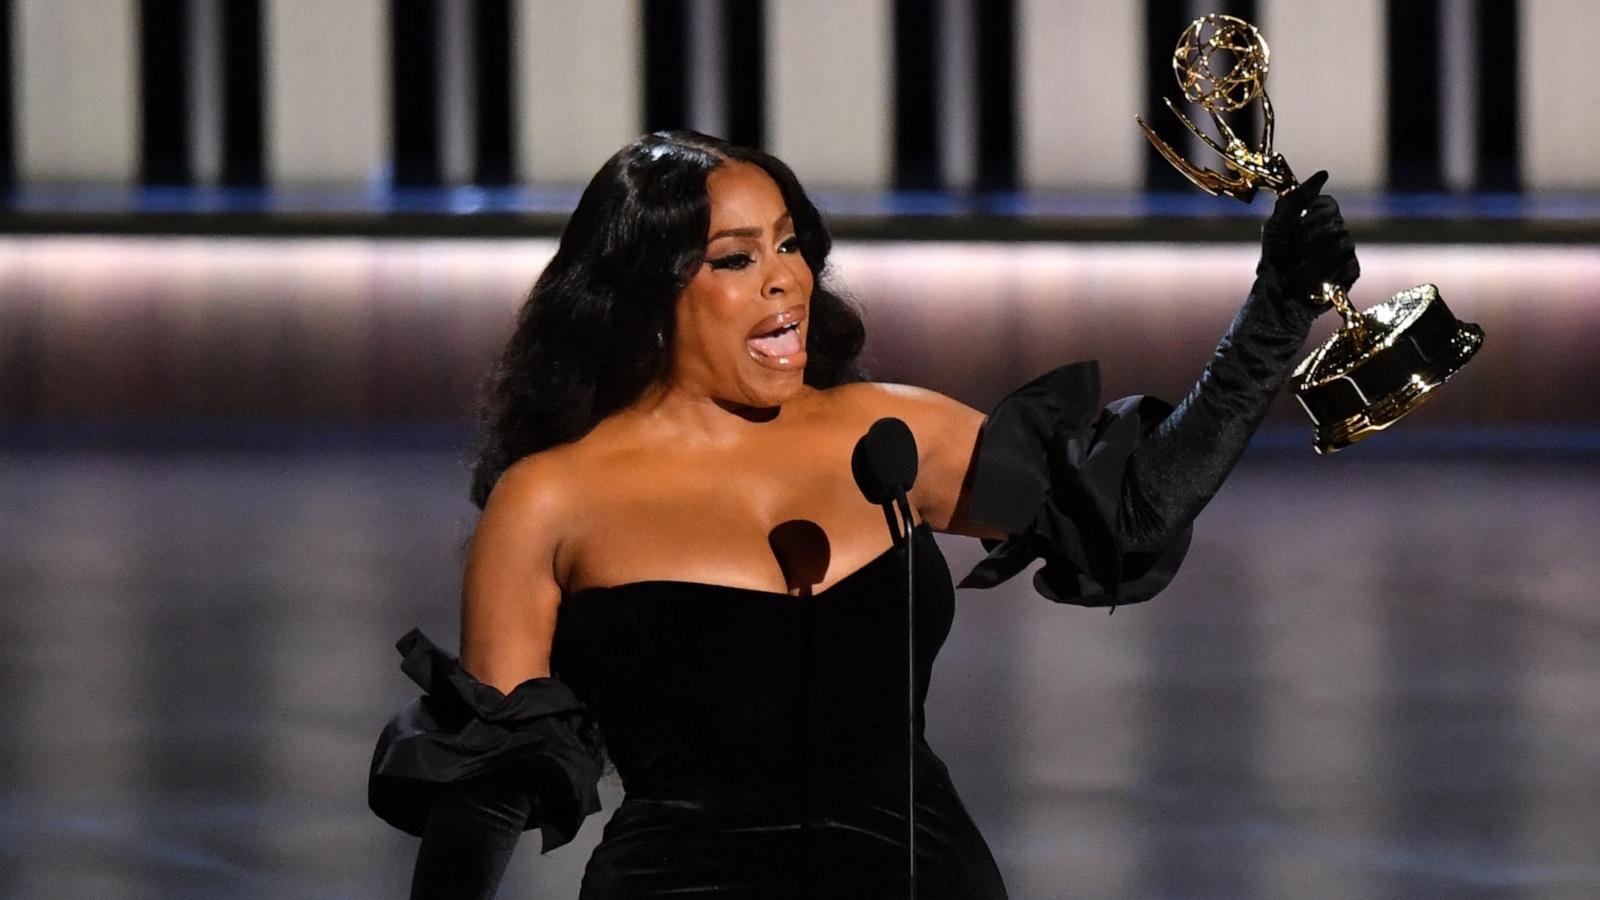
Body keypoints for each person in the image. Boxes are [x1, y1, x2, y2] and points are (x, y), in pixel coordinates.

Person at [368, 131, 1358, 899]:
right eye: (733, 258)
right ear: (644, 295)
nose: (785, 279)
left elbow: (1132, 514)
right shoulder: (548, 499)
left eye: (790, 244)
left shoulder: (888, 430)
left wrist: (1274, 307)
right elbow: (490, 785)